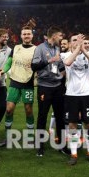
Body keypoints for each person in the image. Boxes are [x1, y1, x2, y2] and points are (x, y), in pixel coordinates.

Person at [62, 33, 89, 165]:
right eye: (74, 40)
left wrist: (83, 49)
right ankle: (73, 154)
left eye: (80, 41)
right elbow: (67, 62)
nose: (77, 42)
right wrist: (78, 49)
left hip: (87, 94)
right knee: (72, 124)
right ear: (71, 43)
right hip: (71, 95)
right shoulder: (65, 55)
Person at [31, 26, 66, 156]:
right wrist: (49, 60)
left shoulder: (58, 48)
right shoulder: (40, 48)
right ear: (54, 36)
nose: (62, 39)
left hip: (57, 87)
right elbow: (33, 66)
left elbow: (60, 66)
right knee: (42, 116)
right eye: (60, 36)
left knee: (60, 117)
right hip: (44, 87)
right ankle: (40, 146)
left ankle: (62, 145)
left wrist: (63, 74)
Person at [0, 24, 37, 147]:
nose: (26, 36)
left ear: (32, 35)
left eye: (28, 34)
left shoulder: (36, 49)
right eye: (24, 34)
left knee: (28, 110)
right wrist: (3, 70)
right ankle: (7, 137)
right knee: (9, 109)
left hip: (28, 83)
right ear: (21, 36)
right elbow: (9, 62)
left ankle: (30, 137)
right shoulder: (15, 48)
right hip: (14, 82)